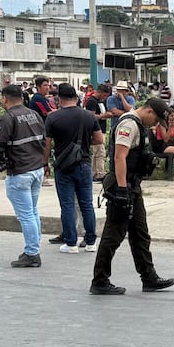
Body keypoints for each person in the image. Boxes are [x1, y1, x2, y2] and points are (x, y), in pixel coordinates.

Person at [90, 98, 174, 295]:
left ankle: (149, 277)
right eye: (155, 120)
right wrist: (121, 190)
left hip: (132, 186)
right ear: (149, 111)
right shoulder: (129, 124)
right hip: (122, 186)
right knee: (114, 234)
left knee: (140, 233)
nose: (155, 125)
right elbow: (120, 157)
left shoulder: (138, 124)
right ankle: (100, 280)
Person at [0, 84, 46, 267]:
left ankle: (32, 253)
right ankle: (34, 247)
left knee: (26, 215)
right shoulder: (34, 114)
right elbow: (43, 140)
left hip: (20, 172)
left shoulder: (8, 118)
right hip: (36, 169)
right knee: (33, 211)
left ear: (5, 98)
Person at [44, 83, 103, 255]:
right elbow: (99, 140)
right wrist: (83, 142)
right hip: (84, 164)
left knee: (67, 205)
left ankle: (71, 244)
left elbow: (46, 145)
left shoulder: (53, 118)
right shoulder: (88, 116)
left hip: (63, 166)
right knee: (86, 204)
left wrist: (44, 163)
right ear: (76, 98)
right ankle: (91, 242)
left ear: (59, 99)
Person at [85, 83, 111, 181]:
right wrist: (103, 116)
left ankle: (94, 172)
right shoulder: (91, 101)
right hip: (96, 129)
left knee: (97, 152)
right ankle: (100, 172)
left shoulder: (101, 101)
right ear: (99, 92)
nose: (104, 97)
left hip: (102, 128)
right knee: (100, 152)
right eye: (104, 95)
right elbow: (91, 116)